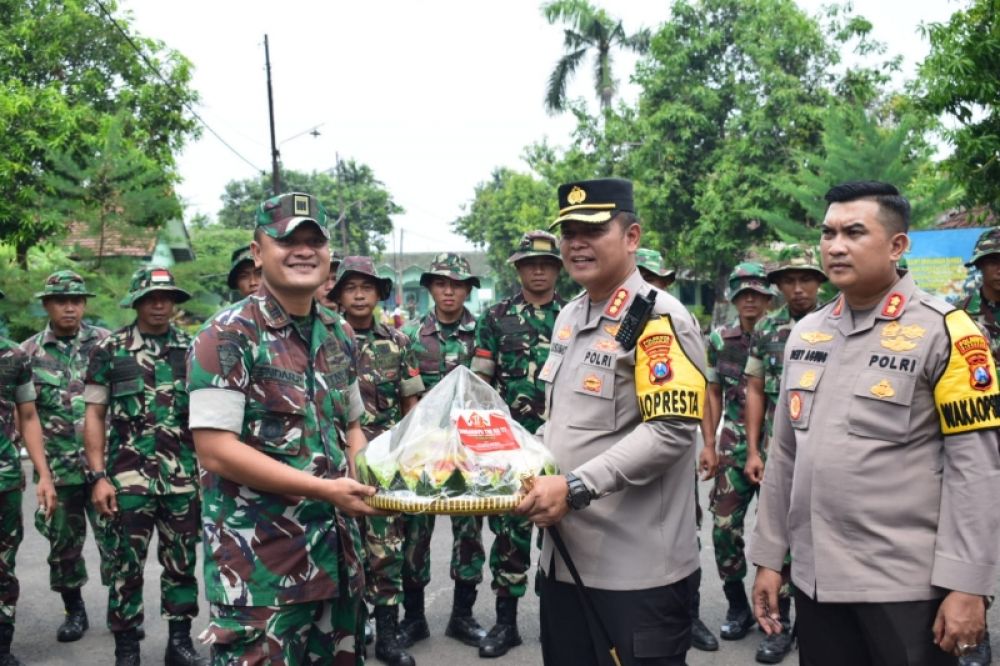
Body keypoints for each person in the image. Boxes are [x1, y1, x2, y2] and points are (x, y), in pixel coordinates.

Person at [750, 181, 1000, 665]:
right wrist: (768, 558)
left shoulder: (945, 332)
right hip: (816, 583)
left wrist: (968, 585)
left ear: (897, 245)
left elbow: (977, 470)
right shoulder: (806, 332)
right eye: (828, 233)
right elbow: (785, 456)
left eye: (854, 232)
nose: (835, 246)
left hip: (905, 588)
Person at [517, 178, 706, 665]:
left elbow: (671, 432)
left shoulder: (659, 318)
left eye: (593, 229)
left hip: (636, 574)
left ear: (631, 237)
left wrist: (575, 485)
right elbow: (564, 423)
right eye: (569, 231)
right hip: (564, 561)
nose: (577, 242)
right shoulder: (569, 316)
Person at [187, 192, 380, 665]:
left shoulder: (339, 333)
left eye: (315, 240)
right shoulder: (226, 336)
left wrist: (366, 469)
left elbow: (352, 425)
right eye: (287, 239)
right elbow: (216, 451)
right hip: (262, 575)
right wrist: (325, 489)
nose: (303, 250)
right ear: (258, 252)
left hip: (338, 563)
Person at [83, 266, 205, 666]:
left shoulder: (192, 348)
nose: (159, 303)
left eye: (167, 297)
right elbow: (95, 415)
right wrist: (99, 476)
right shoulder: (110, 349)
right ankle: (127, 649)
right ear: (136, 301)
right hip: (127, 479)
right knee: (125, 566)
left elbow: (207, 417)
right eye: (151, 297)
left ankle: (179, 644)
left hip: (183, 479)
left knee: (182, 565)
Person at [471, 230, 565, 658]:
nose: (539, 270)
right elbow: (481, 383)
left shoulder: (575, 315)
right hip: (511, 448)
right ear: (519, 269)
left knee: (565, 533)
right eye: (530, 264)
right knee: (510, 534)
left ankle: (558, 623)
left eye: (546, 264)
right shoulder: (495, 317)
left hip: (565, 443)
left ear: (558, 269)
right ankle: (505, 624)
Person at [331, 255, 425, 666]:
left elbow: (411, 404)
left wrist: (409, 455)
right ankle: (349, 637)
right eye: (350, 287)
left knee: (385, 550)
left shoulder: (398, 342)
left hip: (385, 465)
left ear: (379, 294)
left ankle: (387, 638)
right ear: (338, 294)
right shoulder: (326, 339)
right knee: (343, 551)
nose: (358, 294)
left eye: (366, 287)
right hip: (335, 463)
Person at [738, 247, 827, 663]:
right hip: (781, 449)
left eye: (805, 278)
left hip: (825, 450)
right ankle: (780, 624)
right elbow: (755, 391)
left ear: (818, 280)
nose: (798, 287)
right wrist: (754, 449)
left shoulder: (840, 321)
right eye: (788, 280)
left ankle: (822, 622)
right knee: (778, 538)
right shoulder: (769, 330)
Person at [399, 253, 488, 648]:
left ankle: (462, 617)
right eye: (441, 283)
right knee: (414, 536)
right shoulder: (411, 336)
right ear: (431, 287)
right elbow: (408, 397)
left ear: (468, 288)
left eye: (457, 284)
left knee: (469, 534)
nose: (448, 290)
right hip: (424, 453)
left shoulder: (484, 333)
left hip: (471, 453)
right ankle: (414, 617)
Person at [21, 271, 110, 643]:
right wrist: (41, 474)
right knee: (63, 550)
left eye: (76, 299)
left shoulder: (107, 344)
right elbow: (27, 416)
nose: (69, 306)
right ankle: (74, 611)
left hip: (104, 469)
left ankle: (124, 612)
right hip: (58, 470)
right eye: (60, 300)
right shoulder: (27, 353)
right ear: (47, 305)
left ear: (85, 303)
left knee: (116, 543)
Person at [703, 262, 774, 642]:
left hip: (777, 442)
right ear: (733, 297)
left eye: (757, 292)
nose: (750, 298)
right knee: (724, 528)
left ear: (768, 297)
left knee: (782, 533)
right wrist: (709, 445)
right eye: (743, 292)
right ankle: (737, 606)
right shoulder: (719, 340)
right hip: (733, 443)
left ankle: (778, 611)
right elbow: (712, 393)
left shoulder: (785, 334)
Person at [0, 287, 58, 666]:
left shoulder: (13, 356)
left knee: (4, 564)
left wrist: (43, 474)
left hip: (3, 479)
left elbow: (29, 415)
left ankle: (2, 645)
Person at [957, 228, 1000, 666]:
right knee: (978, 534)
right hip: (977, 440)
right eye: (993, 261)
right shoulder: (958, 317)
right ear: (981, 267)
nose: (999, 269)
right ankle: (978, 628)